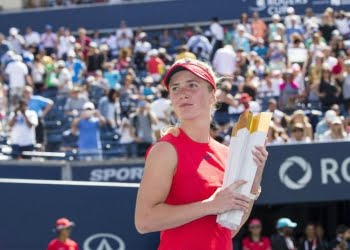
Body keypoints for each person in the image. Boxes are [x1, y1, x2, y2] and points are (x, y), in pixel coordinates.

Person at [135, 58, 268, 249]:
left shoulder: (226, 154)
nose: (182, 93)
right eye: (175, 88)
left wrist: (254, 182)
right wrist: (210, 206)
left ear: (212, 95)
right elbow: (144, 221)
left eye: (192, 85)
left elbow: (228, 230)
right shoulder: (165, 149)